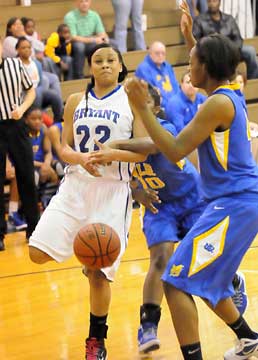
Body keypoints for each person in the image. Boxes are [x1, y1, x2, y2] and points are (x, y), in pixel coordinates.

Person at [122, 2, 258, 358]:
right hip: (234, 203)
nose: (188, 65)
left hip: (234, 205)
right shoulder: (226, 93)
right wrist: (189, 37)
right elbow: (208, 61)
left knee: (176, 280)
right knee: (207, 282)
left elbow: (175, 150)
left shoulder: (216, 104)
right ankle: (248, 337)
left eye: (192, 60)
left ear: (206, 67)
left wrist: (141, 109)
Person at [88, 82, 250, 355]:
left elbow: (152, 146)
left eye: (143, 105)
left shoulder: (166, 127)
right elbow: (123, 179)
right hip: (160, 207)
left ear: (156, 108)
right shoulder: (124, 134)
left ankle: (233, 284)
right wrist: (138, 193)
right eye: (132, 106)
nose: (137, 111)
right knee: (162, 260)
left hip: (192, 200)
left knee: (202, 265)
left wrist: (115, 146)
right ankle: (148, 324)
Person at [28, 43, 148, 360]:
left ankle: (97, 340)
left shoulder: (131, 101)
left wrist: (111, 154)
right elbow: (65, 147)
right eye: (98, 60)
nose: (105, 65)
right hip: (75, 185)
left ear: (121, 66)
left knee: (98, 273)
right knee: (36, 252)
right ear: (89, 67)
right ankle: (86, 254)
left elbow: (143, 151)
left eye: (111, 60)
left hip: (112, 190)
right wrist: (80, 159)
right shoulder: (74, 101)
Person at [0, 37, 39, 251]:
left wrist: (22, 109)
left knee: (26, 175)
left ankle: (34, 228)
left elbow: (31, 90)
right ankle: (0, 234)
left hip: (16, 125)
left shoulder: (15, 65)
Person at [192, 0, 258, 80]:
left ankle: (253, 80)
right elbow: (197, 41)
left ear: (220, 2)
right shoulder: (199, 20)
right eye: (209, 1)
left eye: (214, 1)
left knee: (250, 51)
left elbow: (238, 39)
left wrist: (231, 50)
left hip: (230, 51)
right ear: (207, 3)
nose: (212, 4)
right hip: (212, 53)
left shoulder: (229, 19)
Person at [16, 37, 64, 123]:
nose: (27, 50)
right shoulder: (15, 65)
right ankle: (37, 119)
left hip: (39, 92)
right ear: (17, 50)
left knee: (55, 95)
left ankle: (58, 122)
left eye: (29, 47)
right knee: (36, 93)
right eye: (23, 48)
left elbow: (41, 81)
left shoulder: (36, 63)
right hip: (24, 94)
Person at [64, 0, 109, 79]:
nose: (84, 4)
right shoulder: (70, 16)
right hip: (73, 44)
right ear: (76, 3)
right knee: (79, 46)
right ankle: (79, 76)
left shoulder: (94, 15)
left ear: (90, 2)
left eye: (86, 1)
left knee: (107, 44)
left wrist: (103, 38)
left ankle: (101, 74)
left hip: (89, 43)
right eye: (81, 1)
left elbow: (101, 32)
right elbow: (73, 37)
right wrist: (94, 39)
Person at [135, 41, 179, 108]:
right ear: (150, 54)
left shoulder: (167, 66)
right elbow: (152, 95)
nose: (160, 56)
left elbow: (175, 86)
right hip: (158, 108)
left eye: (163, 53)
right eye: (157, 53)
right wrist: (171, 106)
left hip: (173, 105)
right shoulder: (143, 69)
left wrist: (178, 102)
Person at [24, 106, 59, 186]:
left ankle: (51, 195)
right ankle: (35, 197)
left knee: (58, 168)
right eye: (33, 119)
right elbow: (24, 160)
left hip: (42, 164)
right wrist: (43, 165)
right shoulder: (22, 135)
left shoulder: (44, 131)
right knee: (34, 175)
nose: (37, 121)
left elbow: (48, 152)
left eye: (40, 118)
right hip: (29, 165)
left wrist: (46, 164)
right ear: (26, 120)